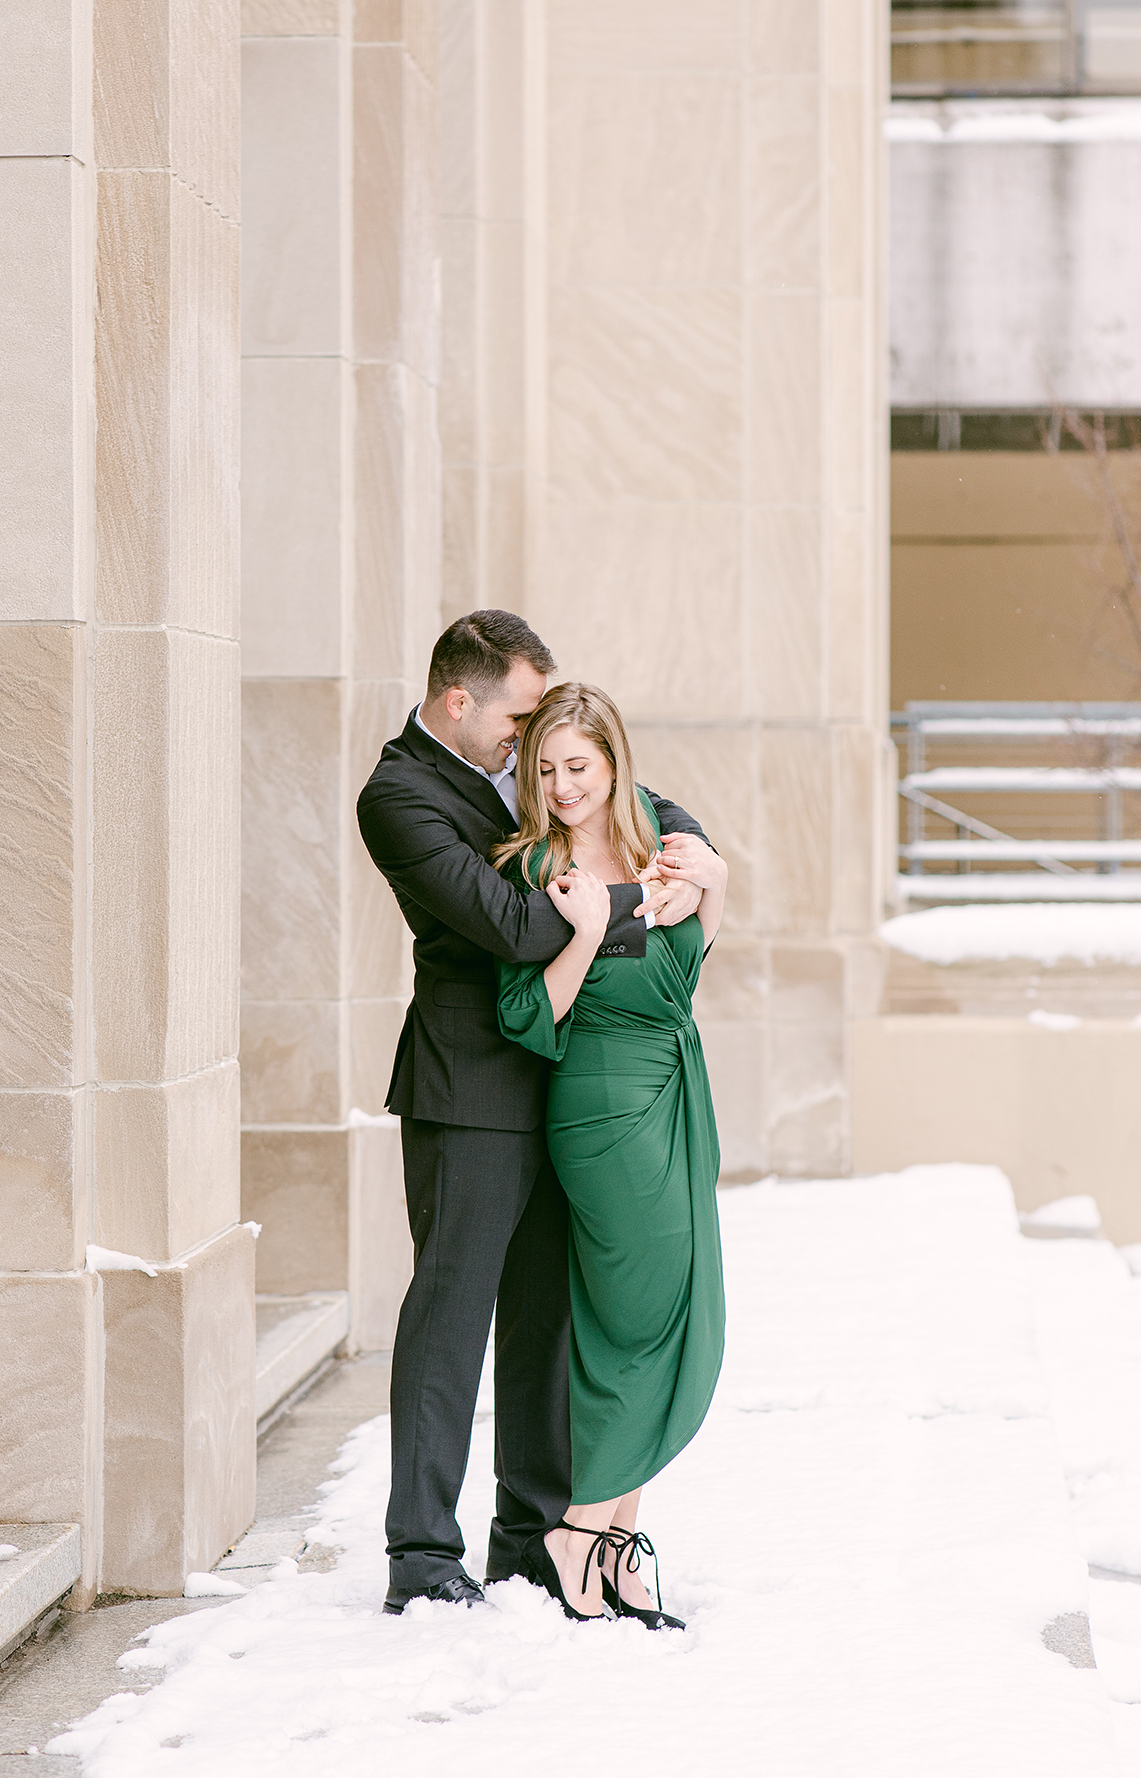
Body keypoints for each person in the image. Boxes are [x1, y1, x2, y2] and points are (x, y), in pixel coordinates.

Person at [356, 611, 710, 1616]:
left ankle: (528, 1531)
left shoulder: (522, 773)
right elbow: (513, 923)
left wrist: (690, 863)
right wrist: (631, 900)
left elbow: (651, 807)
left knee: (545, 1323)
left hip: (555, 1086)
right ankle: (421, 1552)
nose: (531, 741)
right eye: (517, 717)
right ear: (457, 700)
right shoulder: (398, 795)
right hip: (467, 1092)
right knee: (450, 1319)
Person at [494, 681, 727, 1628]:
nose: (560, 786)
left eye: (577, 767)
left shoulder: (658, 850)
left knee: (665, 1314)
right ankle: (579, 1534)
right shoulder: (532, 866)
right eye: (545, 769)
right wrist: (587, 932)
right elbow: (526, 1016)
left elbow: (693, 963)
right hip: (600, 1105)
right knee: (639, 1316)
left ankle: (616, 1549)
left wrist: (710, 883)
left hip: (674, 1091)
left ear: (614, 761)